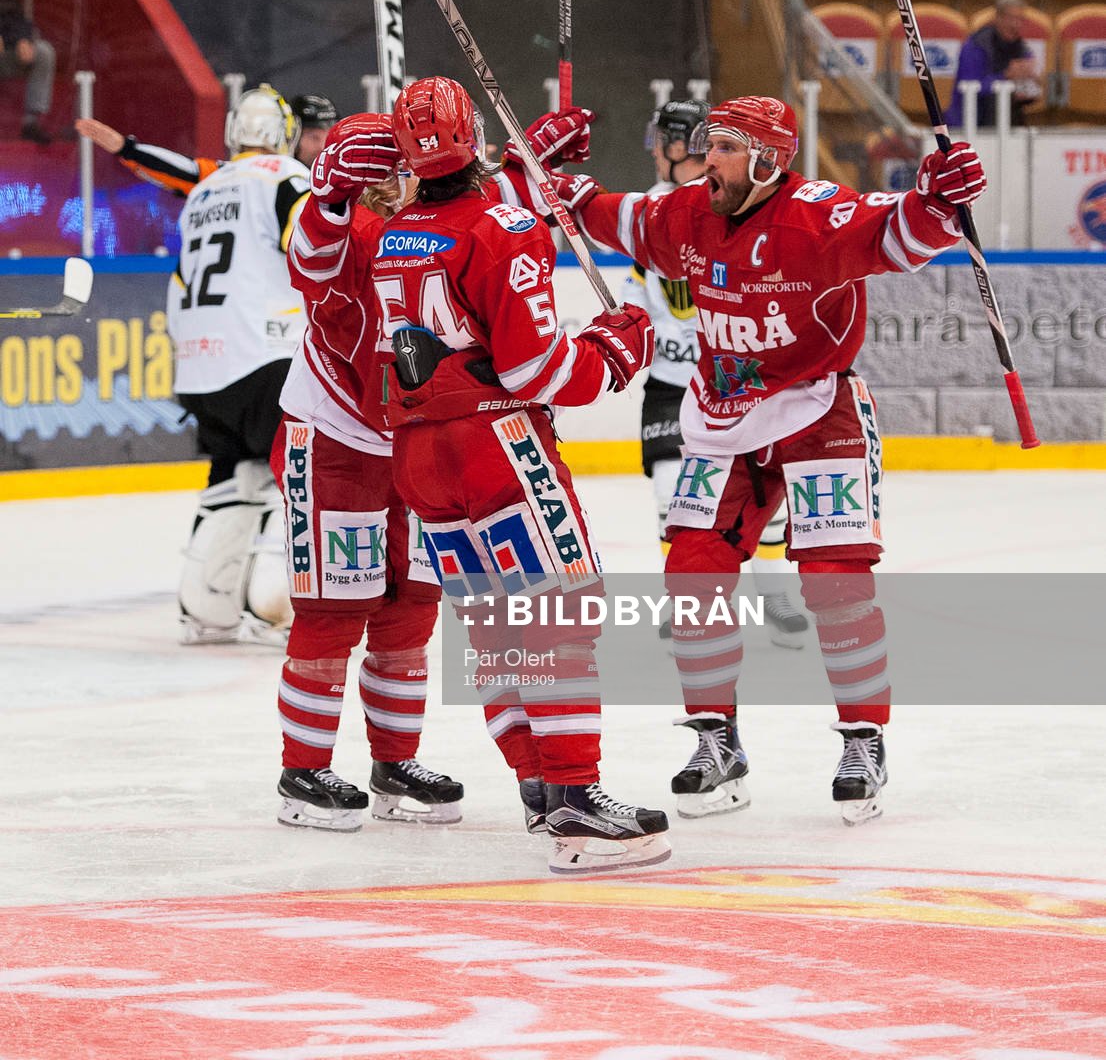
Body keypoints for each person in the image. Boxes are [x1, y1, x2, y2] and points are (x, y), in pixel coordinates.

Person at [550, 96, 987, 825]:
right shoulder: (685, 213)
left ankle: (864, 738)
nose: (707, 158)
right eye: (709, 144)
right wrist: (557, 178)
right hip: (723, 416)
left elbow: (902, 233)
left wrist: (940, 197)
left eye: (723, 146)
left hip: (819, 410)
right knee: (691, 568)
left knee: (835, 583)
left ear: (765, 159)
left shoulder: (818, 216)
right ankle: (716, 739)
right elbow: (605, 216)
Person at [325, 76, 669, 873]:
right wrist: (611, 354)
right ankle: (579, 798)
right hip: (496, 446)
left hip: (419, 459)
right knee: (557, 616)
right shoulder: (508, 225)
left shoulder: (393, 230)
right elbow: (534, 366)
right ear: (474, 135)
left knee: (495, 629)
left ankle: (539, 789)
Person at [272, 114, 461, 832]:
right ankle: (305, 773)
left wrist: (533, 172)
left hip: (413, 443)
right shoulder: (343, 231)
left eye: (403, 166)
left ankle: (394, 762)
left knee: (410, 606)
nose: (394, 181)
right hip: (332, 440)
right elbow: (309, 260)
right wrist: (328, 191)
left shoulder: (444, 227)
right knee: (333, 609)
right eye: (377, 171)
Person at [631, 99, 809, 648]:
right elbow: (636, 300)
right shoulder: (656, 212)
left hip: (732, 381)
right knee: (671, 493)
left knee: (762, 498)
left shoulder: (731, 207)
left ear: (676, 144)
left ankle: (776, 598)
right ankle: (686, 602)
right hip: (669, 381)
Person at [167, 84, 309, 646]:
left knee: (233, 475)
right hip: (267, 355)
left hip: (201, 366)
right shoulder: (287, 177)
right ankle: (279, 605)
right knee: (299, 475)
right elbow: (313, 246)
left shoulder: (202, 191)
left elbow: (179, 285)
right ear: (284, 135)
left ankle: (207, 607)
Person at [74, 90, 339, 192]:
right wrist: (127, 149)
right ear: (288, 134)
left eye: (329, 139)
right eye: (314, 137)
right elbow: (187, 171)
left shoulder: (234, 177)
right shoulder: (249, 177)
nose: (323, 148)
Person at [946, 0, 1041, 129]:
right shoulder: (975, 46)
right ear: (998, 18)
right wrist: (1005, 76)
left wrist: (1031, 85)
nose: (1015, 24)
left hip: (1007, 121)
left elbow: (1031, 93)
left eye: (1020, 19)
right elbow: (968, 88)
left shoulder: (1023, 49)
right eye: (1011, 18)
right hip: (970, 122)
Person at [0, 0, 56, 144]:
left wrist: (22, 39)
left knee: (43, 52)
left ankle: (31, 122)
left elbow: (15, 15)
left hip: (5, 51)